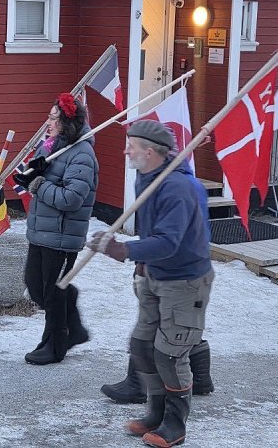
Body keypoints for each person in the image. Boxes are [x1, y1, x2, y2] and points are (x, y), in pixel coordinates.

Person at [89, 119, 214, 448]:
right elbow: (150, 231)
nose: (125, 149)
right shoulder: (146, 177)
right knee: (144, 346)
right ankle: (155, 413)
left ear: (149, 151)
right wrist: (140, 260)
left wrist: (123, 250)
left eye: (131, 144)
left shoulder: (177, 188)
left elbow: (169, 241)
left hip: (184, 279)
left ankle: (175, 424)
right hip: (155, 274)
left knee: (170, 354)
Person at [100, 153, 215, 404]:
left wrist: (143, 258)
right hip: (181, 267)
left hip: (178, 270)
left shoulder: (176, 188)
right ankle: (201, 377)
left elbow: (170, 239)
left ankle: (140, 385)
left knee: (159, 323)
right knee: (172, 322)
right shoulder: (180, 183)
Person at [14, 93, 98, 366]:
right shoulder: (51, 146)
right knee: (36, 287)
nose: (47, 123)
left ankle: (54, 345)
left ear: (67, 122)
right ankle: (74, 326)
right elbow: (39, 176)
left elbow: (72, 199)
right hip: (41, 230)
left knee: (52, 291)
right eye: (49, 117)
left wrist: (38, 185)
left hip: (62, 236)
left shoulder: (82, 155)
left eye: (53, 118)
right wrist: (28, 175)